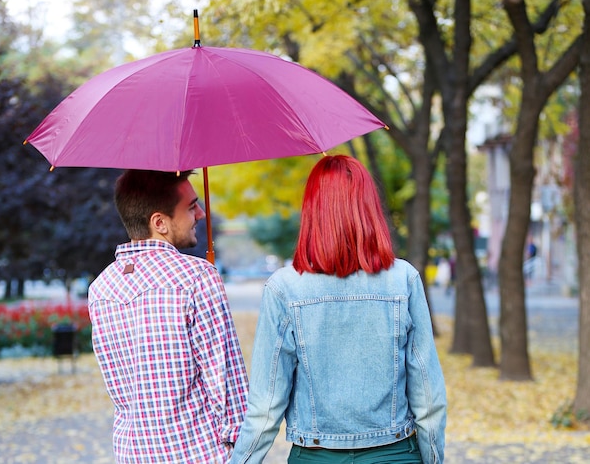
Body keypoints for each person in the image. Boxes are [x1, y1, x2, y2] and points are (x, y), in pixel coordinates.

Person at [231, 155, 446, 464]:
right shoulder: (404, 280)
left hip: (315, 456)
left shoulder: (284, 288)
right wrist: (434, 458)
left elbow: (265, 407)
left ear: (312, 210)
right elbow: (428, 397)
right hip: (395, 454)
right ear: (369, 207)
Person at [88, 169, 248, 463]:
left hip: (132, 454)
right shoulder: (196, 277)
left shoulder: (100, 288)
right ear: (159, 222)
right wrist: (243, 450)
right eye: (191, 207)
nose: (200, 214)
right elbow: (226, 384)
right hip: (198, 453)